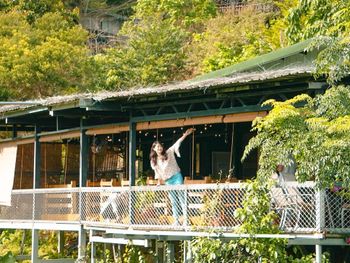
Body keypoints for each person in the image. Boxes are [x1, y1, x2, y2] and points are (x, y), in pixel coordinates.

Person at [149, 128, 194, 225]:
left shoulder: (169, 152)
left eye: (160, 146)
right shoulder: (154, 161)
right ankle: (176, 221)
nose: (159, 148)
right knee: (173, 201)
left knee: (182, 198)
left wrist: (185, 135)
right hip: (168, 181)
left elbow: (177, 143)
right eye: (157, 147)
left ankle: (186, 220)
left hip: (176, 177)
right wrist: (158, 182)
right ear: (154, 149)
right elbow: (158, 173)